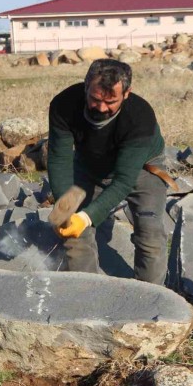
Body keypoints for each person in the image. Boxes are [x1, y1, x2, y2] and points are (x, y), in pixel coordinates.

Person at [47, 58, 168, 286]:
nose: (101, 108)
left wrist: (86, 217)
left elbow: (123, 181)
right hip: (89, 167)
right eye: (95, 99)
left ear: (127, 93)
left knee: (150, 235)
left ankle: (150, 301)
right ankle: (90, 298)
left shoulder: (139, 117)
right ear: (85, 86)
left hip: (142, 169)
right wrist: (65, 209)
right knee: (71, 231)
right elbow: (59, 159)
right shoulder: (64, 105)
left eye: (111, 101)